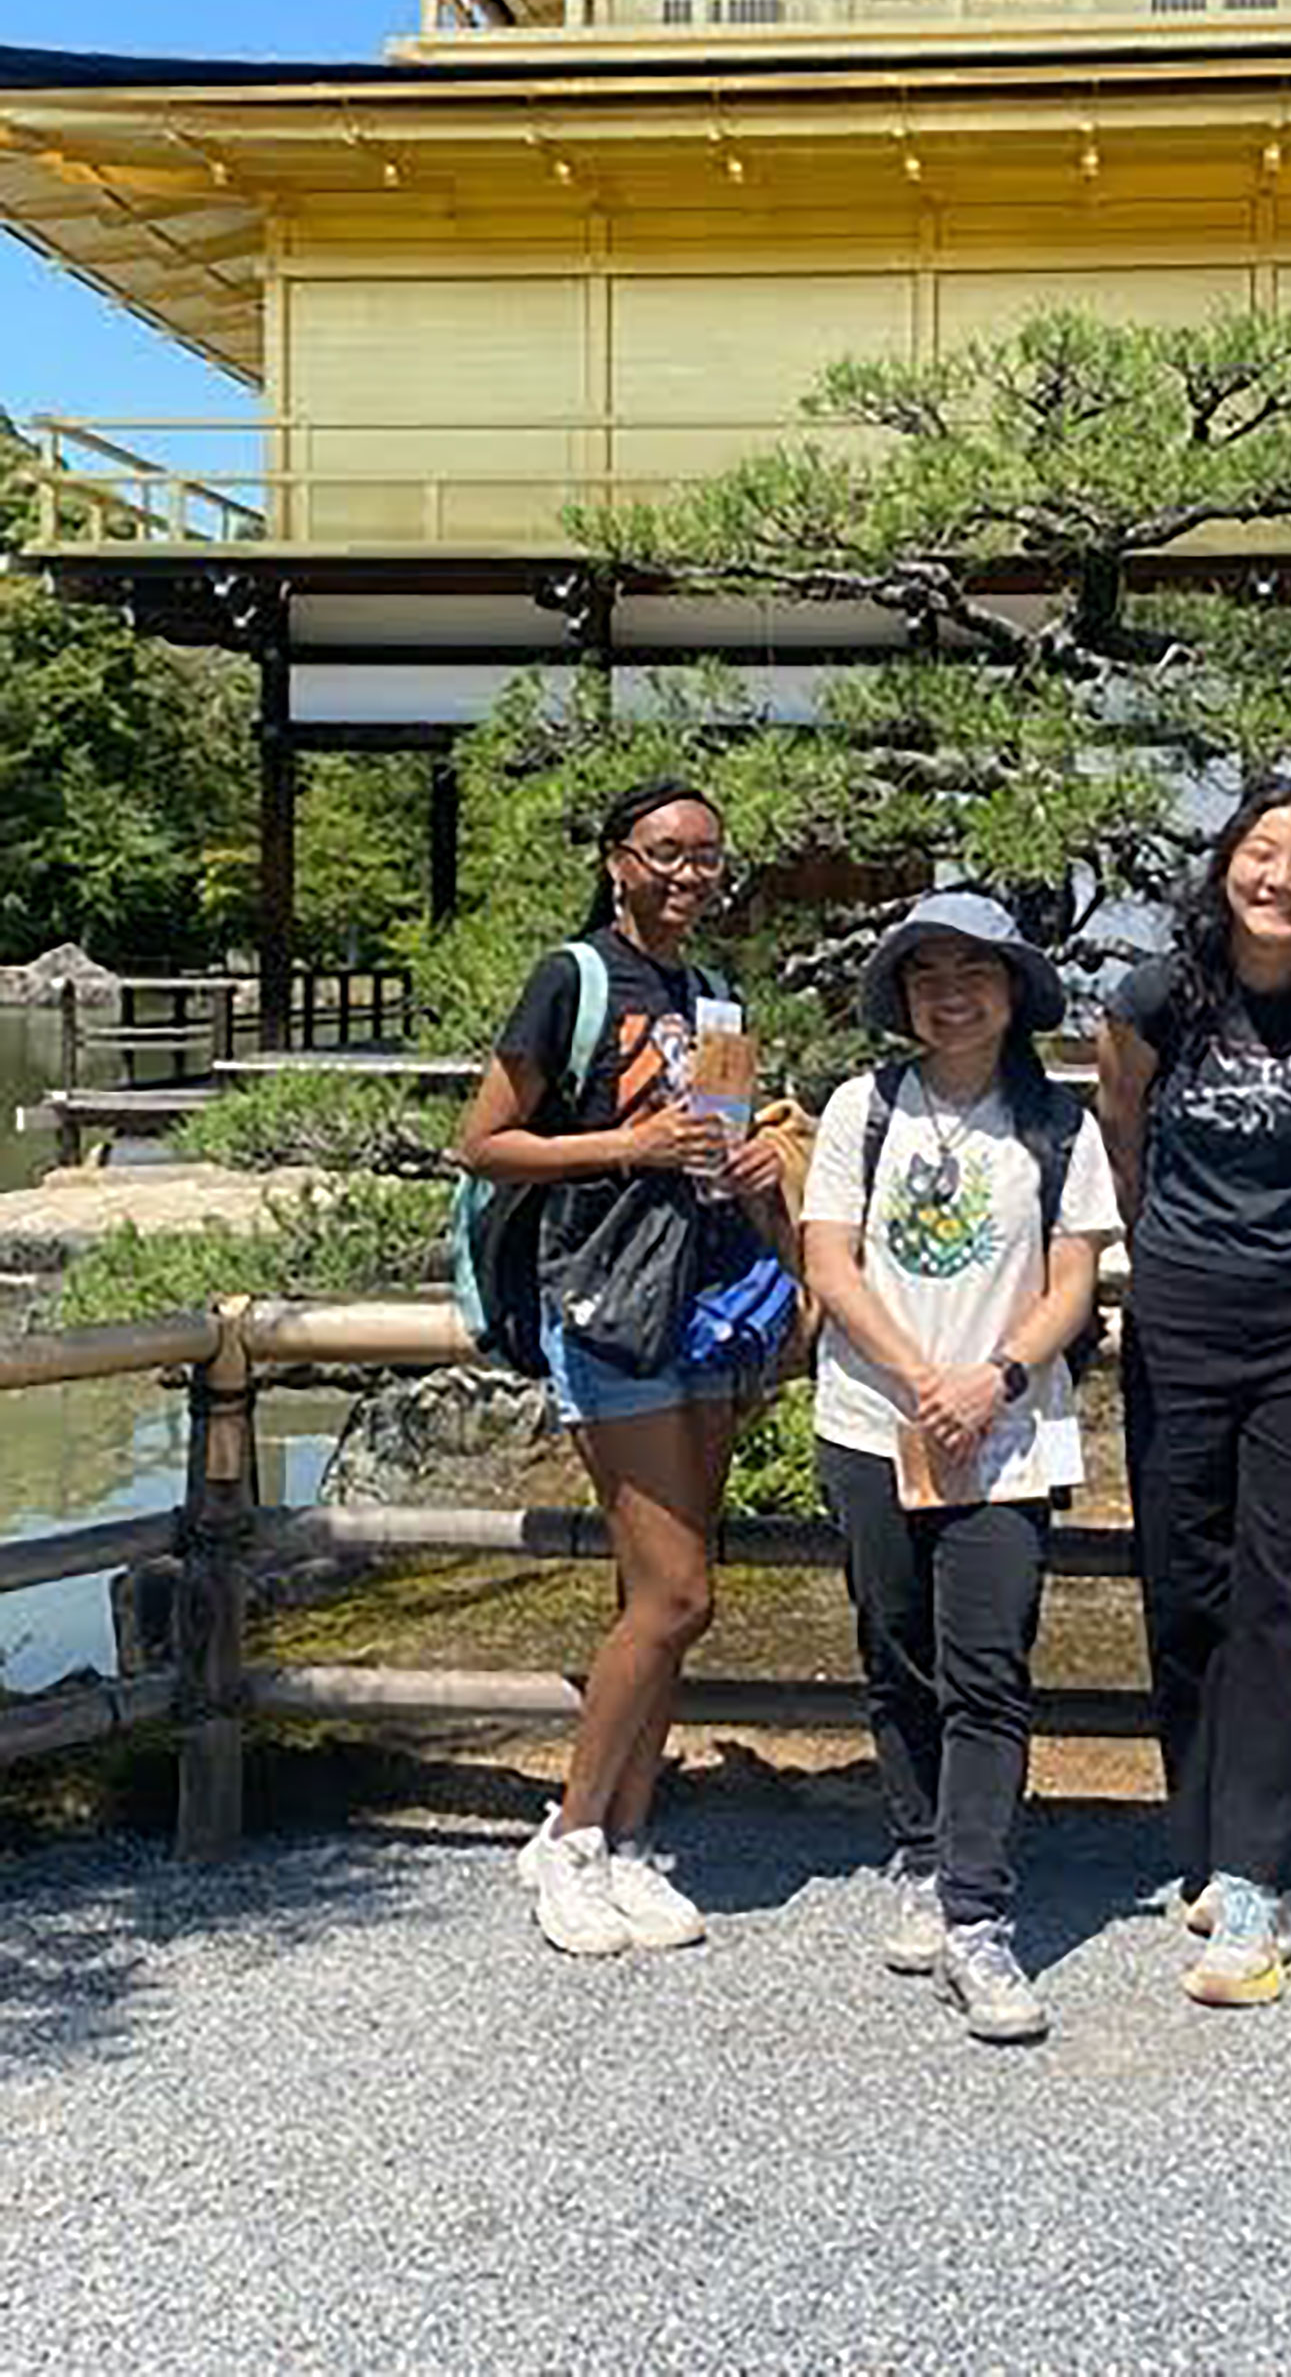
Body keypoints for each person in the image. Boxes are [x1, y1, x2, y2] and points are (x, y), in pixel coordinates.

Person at [457, 776, 796, 1959]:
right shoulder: (574, 978)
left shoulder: (716, 995)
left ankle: (631, 1834)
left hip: (704, 1295)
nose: (688, 875)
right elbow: (484, 1140)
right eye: (665, 853)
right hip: (605, 1302)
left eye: (707, 856)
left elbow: (718, 1133)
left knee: (657, 1600)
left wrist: (749, 1164)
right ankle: (569, 1836)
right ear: (616, 860)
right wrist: (630, 1143)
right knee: (677, 1591)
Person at [1096, 776, 1291, 2007]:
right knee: (1183, 1581)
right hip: (1179, 1310)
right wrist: (1165, 1248)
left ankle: (1260, 1872)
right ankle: (1204, 1832)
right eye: (1261, 852)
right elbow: (1121, 1130)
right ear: (1225, 864)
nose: (1281, 878)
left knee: (1288, 1592)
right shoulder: (1158, 997)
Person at [802, 892, 1121, 2045]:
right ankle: (921, 1850)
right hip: (871, 1415)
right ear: (901, 995)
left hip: (1006, 1429)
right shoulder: (861, 1108)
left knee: (989, 1666)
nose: (950, 990)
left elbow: (1075, 1279)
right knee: (895, 1647)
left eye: (973, 970)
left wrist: (989, 1376)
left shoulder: (1058, 1124)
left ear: (1013, 989)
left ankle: (979, 1912)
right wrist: (919, 1374)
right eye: (926, 971)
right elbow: (830, 1260)